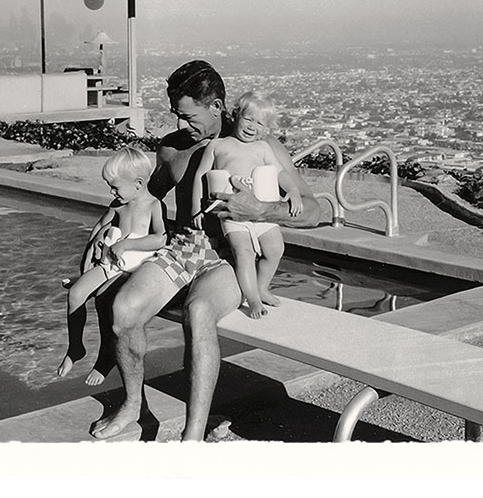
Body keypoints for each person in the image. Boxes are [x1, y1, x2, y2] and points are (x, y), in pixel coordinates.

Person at [90, 60, 321, 442]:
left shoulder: (256, 144)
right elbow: (144, 195)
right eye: (177, 115)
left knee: (198, 313)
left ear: (216, 106)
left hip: (231, 256)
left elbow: (313, 211)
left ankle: (192, 437)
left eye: (188, 116)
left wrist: (261, 210)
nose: (181, 124)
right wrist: (106, 224)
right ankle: (132, 405)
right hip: (184, 248)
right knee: (124, 310)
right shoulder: (172, 149)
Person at [56, 147, 167, 385]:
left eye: (115, 187)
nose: (111, 192)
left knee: (105, 299)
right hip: (109, 265)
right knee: (75, 294)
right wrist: (87, 262)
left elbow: (160, 239)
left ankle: (105, 357)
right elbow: (98, 229)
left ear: (138, 183)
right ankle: (75, 348)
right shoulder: (118, 205)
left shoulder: (153, 206)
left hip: (133, 270)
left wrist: (127, 244)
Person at [191, 91, 303, 319]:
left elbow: (280, 173)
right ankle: (252, 299)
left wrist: (293, 191)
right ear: (236, 116)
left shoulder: (263, 148)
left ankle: (262, 287)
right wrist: (196, 207)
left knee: (275, 249)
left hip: (259, 209)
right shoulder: (218, 145)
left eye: (260, 123)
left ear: (266, 129)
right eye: (248, 119)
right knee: (244, 252)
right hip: (232, 213)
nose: (252, 126)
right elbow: (200, 176)